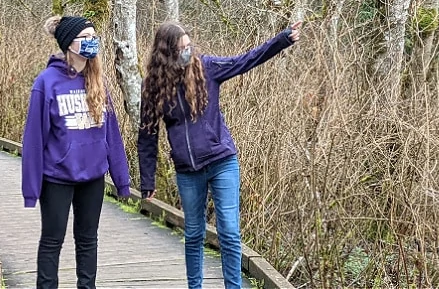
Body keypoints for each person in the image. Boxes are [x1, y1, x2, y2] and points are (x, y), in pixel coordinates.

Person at [137, 21, 301, 289]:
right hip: (187, 171)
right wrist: (147, 182)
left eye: (189, 46)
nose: (187, 52)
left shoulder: (207, 68)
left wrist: (281, 40)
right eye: (181, 49)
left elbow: (246, 60)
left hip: (221, 161)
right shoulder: (153, 87)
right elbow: (147, 136)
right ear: (166, 54)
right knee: (193, 233)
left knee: (228, 232)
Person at [22, 15, 131, 289]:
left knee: (87, 240)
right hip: (57, 177)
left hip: (92, 177)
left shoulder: (97, 81)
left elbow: (112, 135)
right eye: (87, 38)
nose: (93, 43)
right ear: (69, 44)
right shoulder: (46, 83)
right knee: (52, 240)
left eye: (95, 38)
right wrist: (31, 189)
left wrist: (122, 180)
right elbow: (34, 140)